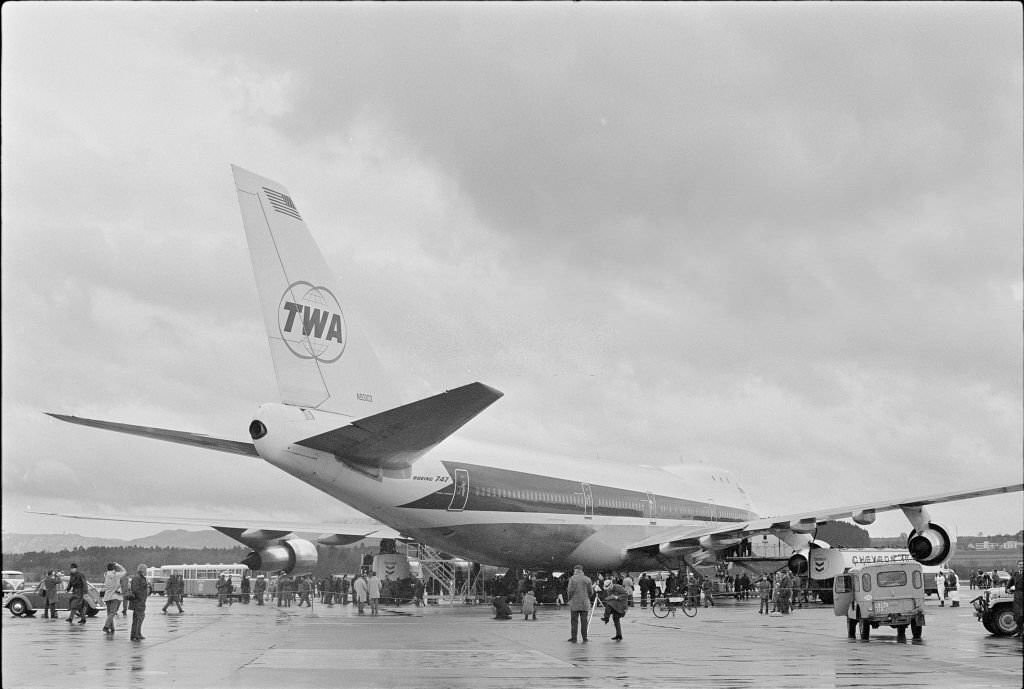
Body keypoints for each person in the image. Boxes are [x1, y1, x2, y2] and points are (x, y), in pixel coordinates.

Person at [566, 564, 593, 643]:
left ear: (575, 570)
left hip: (574, 603)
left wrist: (569, 599)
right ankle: (584, 638)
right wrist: (587, 597)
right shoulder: (587, 579)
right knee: (584, 621)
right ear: (582, 570)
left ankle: (574, 638)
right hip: (585, 603)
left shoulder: (572, 579)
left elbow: (570, 591)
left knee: (574, 621)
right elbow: (591, 591)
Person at [101, 562, 126, 634]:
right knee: (113, 613)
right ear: (114, 568)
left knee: (109, 614)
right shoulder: (116, 575)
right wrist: (119, 565)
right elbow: (124, 571)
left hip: (107, 596)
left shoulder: (106, 574)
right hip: (115, 596)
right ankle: (106, 627)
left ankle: (112, 628)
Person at [129, 564, 149, 641]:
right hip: (138, 601)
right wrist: (141, 597)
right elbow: (135, 589)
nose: (146, 571)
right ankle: (136, 634)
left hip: (140, 601)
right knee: (139, 618)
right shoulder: (137, 578)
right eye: (146, 569)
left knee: (138, 618)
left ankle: (136, 634)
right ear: (142, 570)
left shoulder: (140, 577)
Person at [1010, 560, 1023, 638]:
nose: (1021, 565)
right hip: (1017, 596)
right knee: (1018, 616)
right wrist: (1007, 588)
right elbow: (1010, 582)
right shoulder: (1015, 574)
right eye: (1020, 564)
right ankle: (1020, 632)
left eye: (1023, 564)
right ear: (1018, 565)